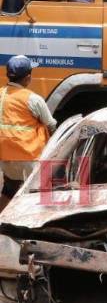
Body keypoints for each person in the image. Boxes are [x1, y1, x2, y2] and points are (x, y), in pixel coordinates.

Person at [0, 55, 57, 211]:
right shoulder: (33, 99)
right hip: (29, 157)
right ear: (27, 78)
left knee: (9, 189)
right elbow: (51, 125)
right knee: (41, 191)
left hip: (5, 158)